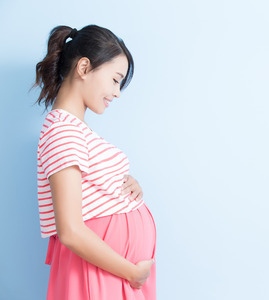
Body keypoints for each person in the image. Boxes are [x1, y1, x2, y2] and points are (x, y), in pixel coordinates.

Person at [33, 24, 157, 299]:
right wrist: (131, 272)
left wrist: (126, 187)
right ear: (84, 67)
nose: (117, 92)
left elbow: (91, 190)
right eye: (115, 80)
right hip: (100, 273)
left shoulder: (74, 130)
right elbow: (71, 231)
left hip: (109, 272)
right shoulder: (61, 131)